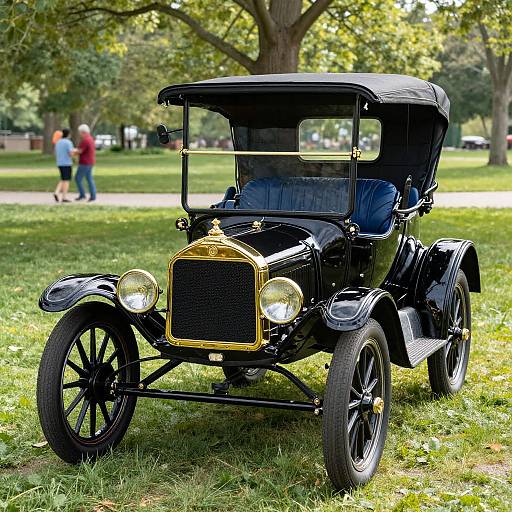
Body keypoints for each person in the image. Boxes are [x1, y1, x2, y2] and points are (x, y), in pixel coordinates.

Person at [74, 124, 97, 202]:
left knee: (77, 178)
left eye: (80, 132)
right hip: (90, 162)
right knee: (89, 178)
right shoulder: (91, 139)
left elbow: (79, 151)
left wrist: (72, 151)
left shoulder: (85, 140)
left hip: (85, 163)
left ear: (83, 132)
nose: (79, 134)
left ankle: (82, 194)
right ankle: (93, 196)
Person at [54, 128, 74, 203]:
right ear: (68, 134)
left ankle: (56, 192)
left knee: (62, 179)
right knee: (66, 180)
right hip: (67, 163)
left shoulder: (58, 142)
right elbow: (71, 153)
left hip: (59, 163)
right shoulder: (68, 142)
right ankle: (64, 197)